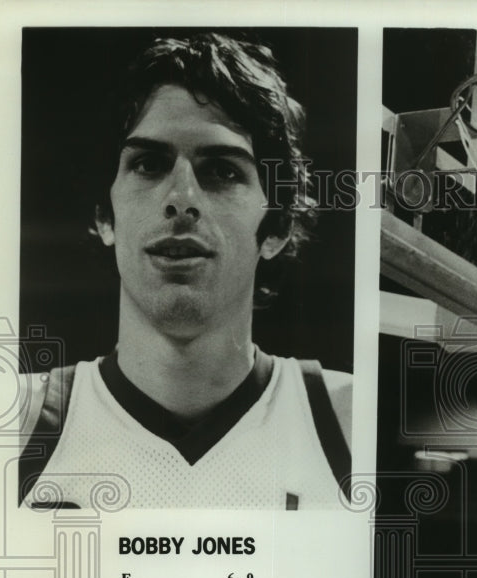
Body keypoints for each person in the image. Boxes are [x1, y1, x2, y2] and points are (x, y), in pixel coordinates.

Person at [18, 34, 351, 510]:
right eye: (149, 164)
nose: (181, 198)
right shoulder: (14, 424)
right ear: (104, 216)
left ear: (276, 226)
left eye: (221, 171)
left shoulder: (348, 422)